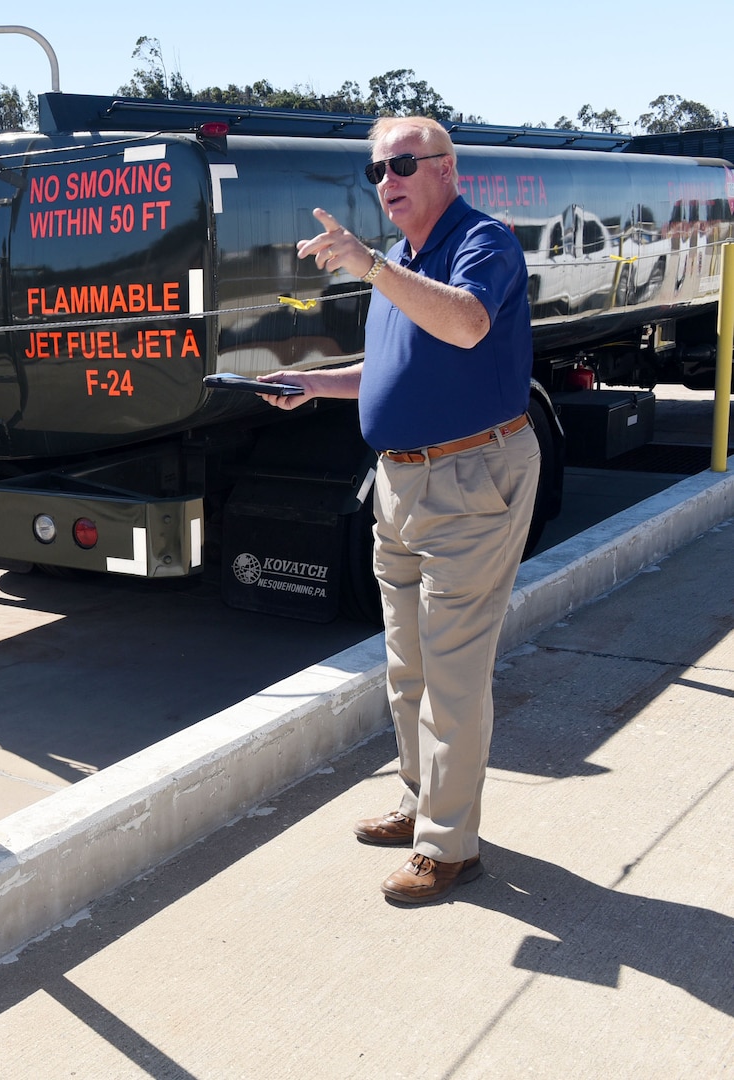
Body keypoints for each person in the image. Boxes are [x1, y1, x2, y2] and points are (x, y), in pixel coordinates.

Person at [260, 117, 539, 904]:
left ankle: (450, 848)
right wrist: (316, 384)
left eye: (405, 164)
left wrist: (371, 263)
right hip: (399, 482)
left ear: (447, 169)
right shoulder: (404, 265)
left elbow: (467, 322)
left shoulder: (482, 244)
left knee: (452, 673)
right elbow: (388, 366)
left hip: (470, 477)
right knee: (407, 666)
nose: (389, 181)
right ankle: (423, 807)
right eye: (379, 170)